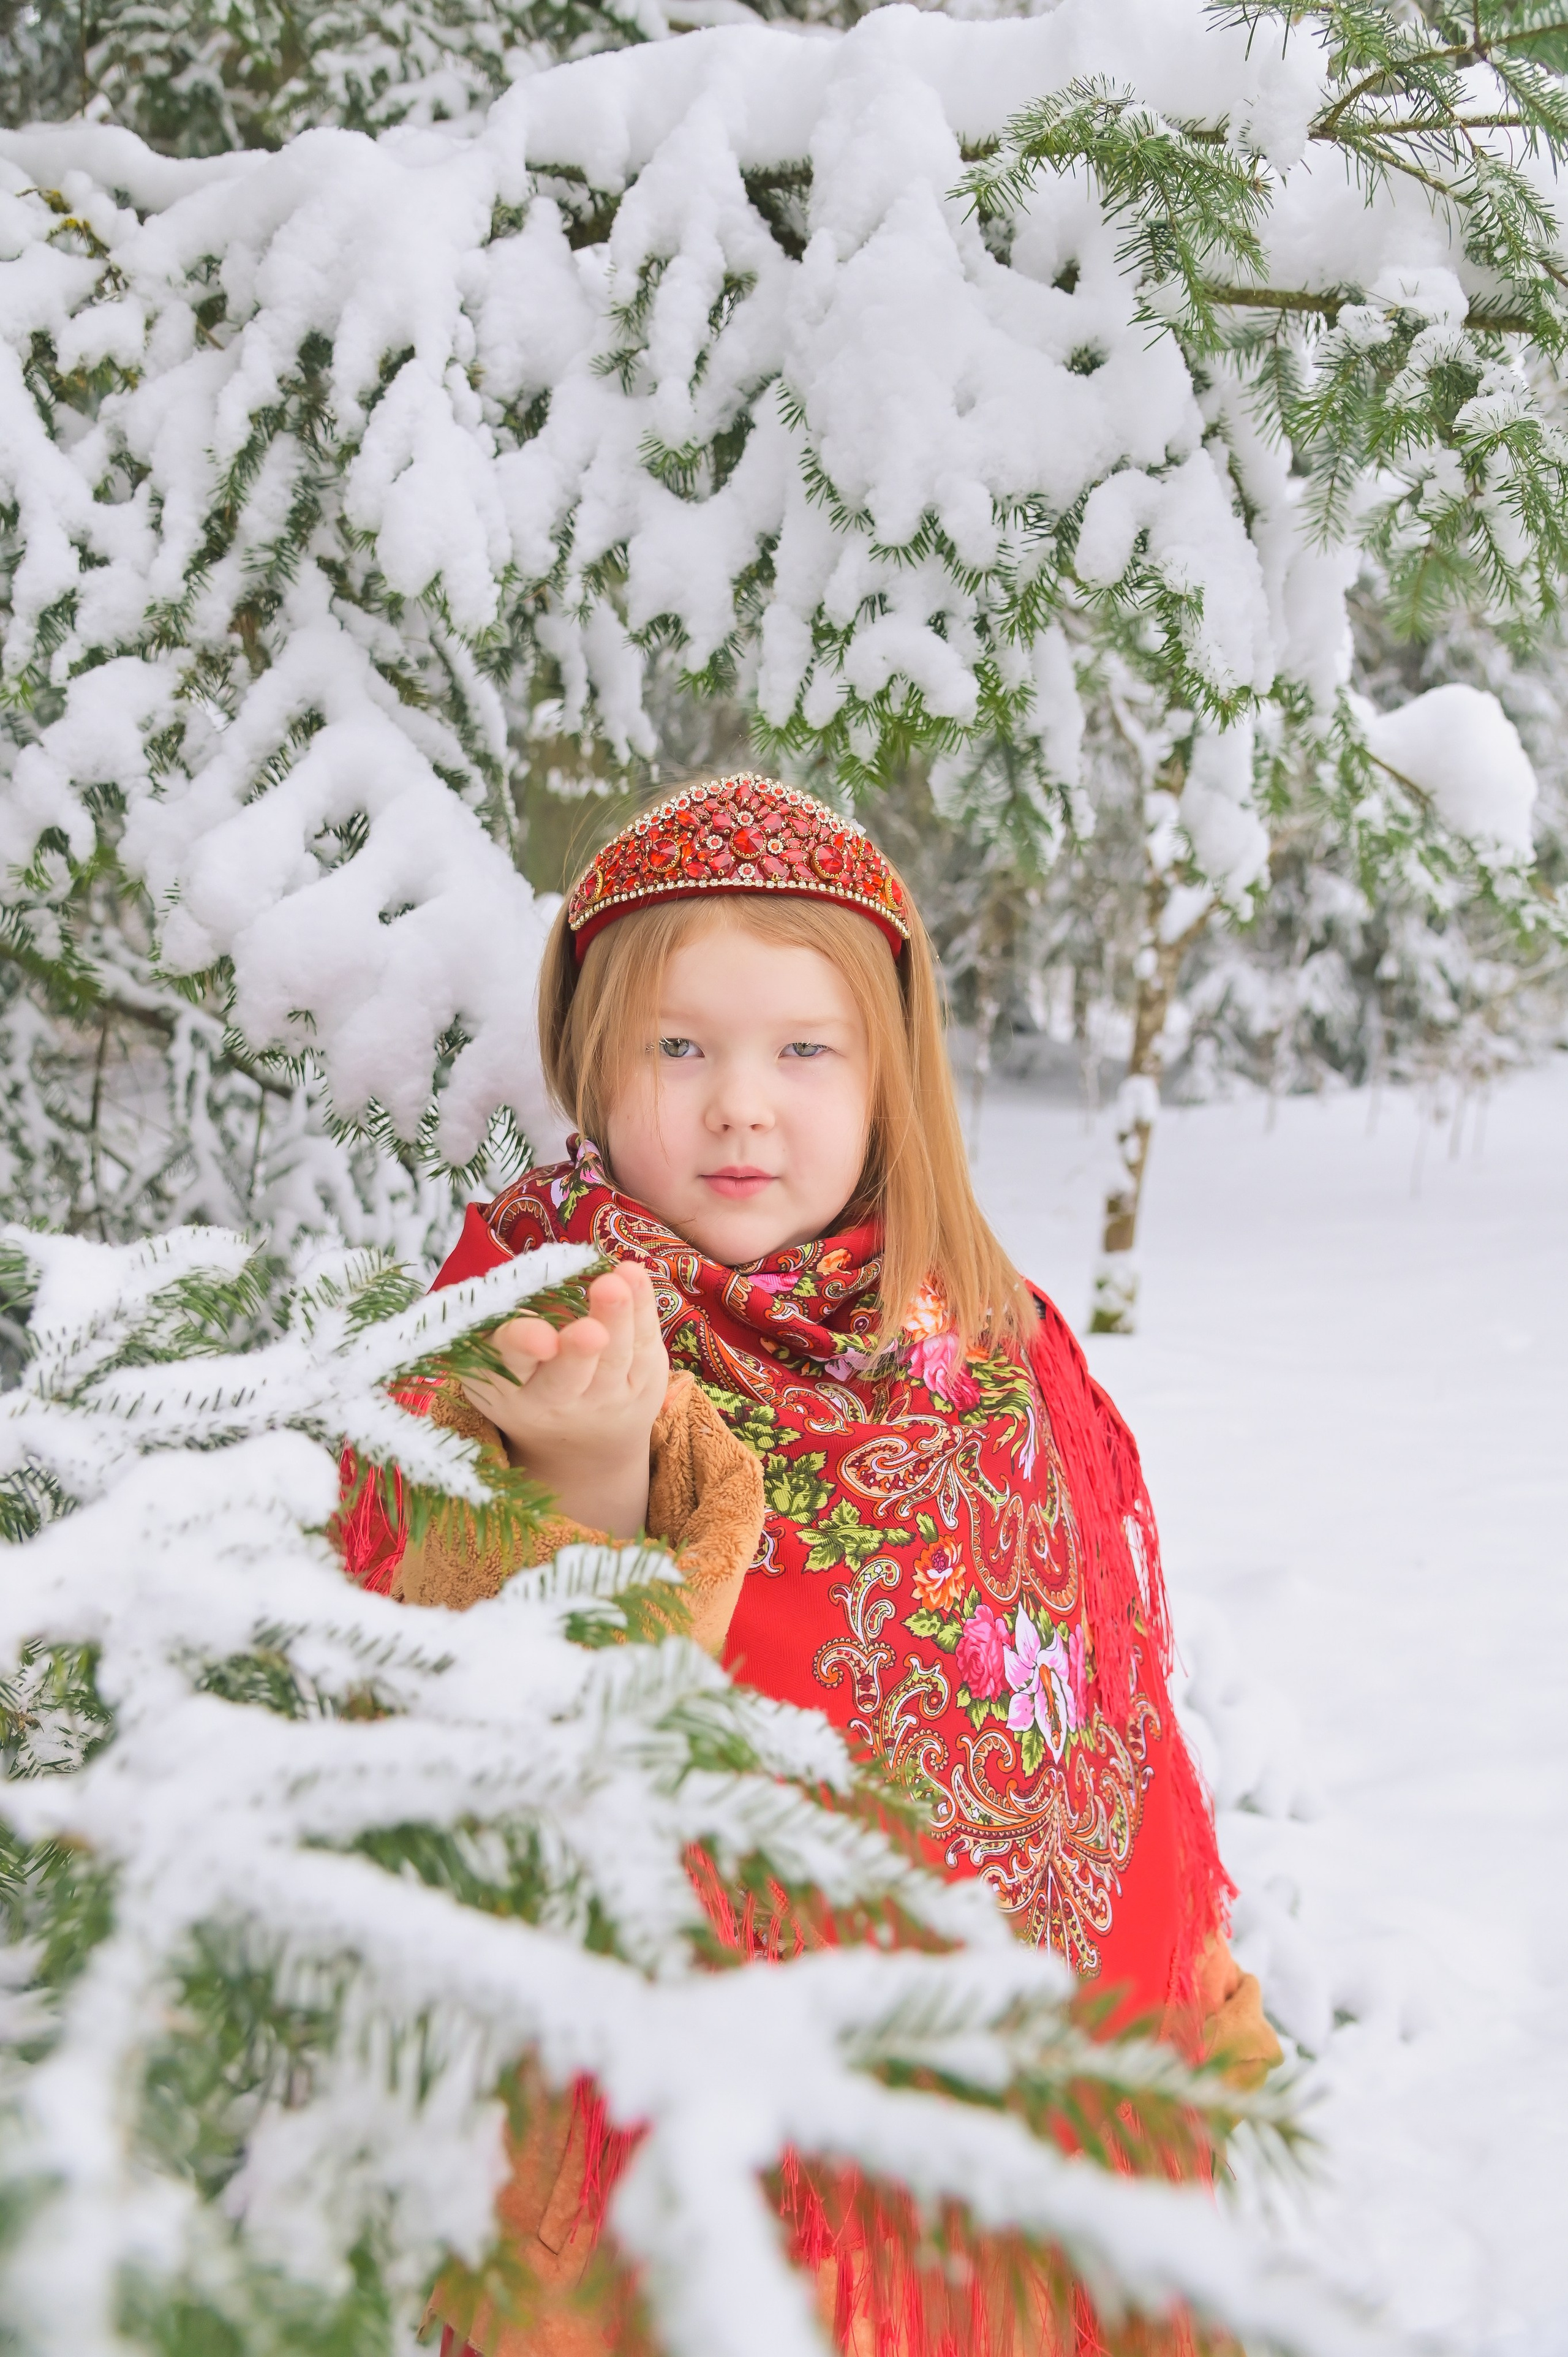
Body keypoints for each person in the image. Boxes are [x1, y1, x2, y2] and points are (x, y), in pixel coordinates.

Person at [342, 773, 1280, 2357]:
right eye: (681, 1048)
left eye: (803, 1050)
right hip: (697, 2167)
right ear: (592, 1059)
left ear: (889, 1073)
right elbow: (470, 1754)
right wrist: (585, 1477)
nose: (742, 1106)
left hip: (1028, 2137)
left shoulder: (991, 1338)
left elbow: (1110, 1704)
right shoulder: (524, 1321)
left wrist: (1199, 1998)